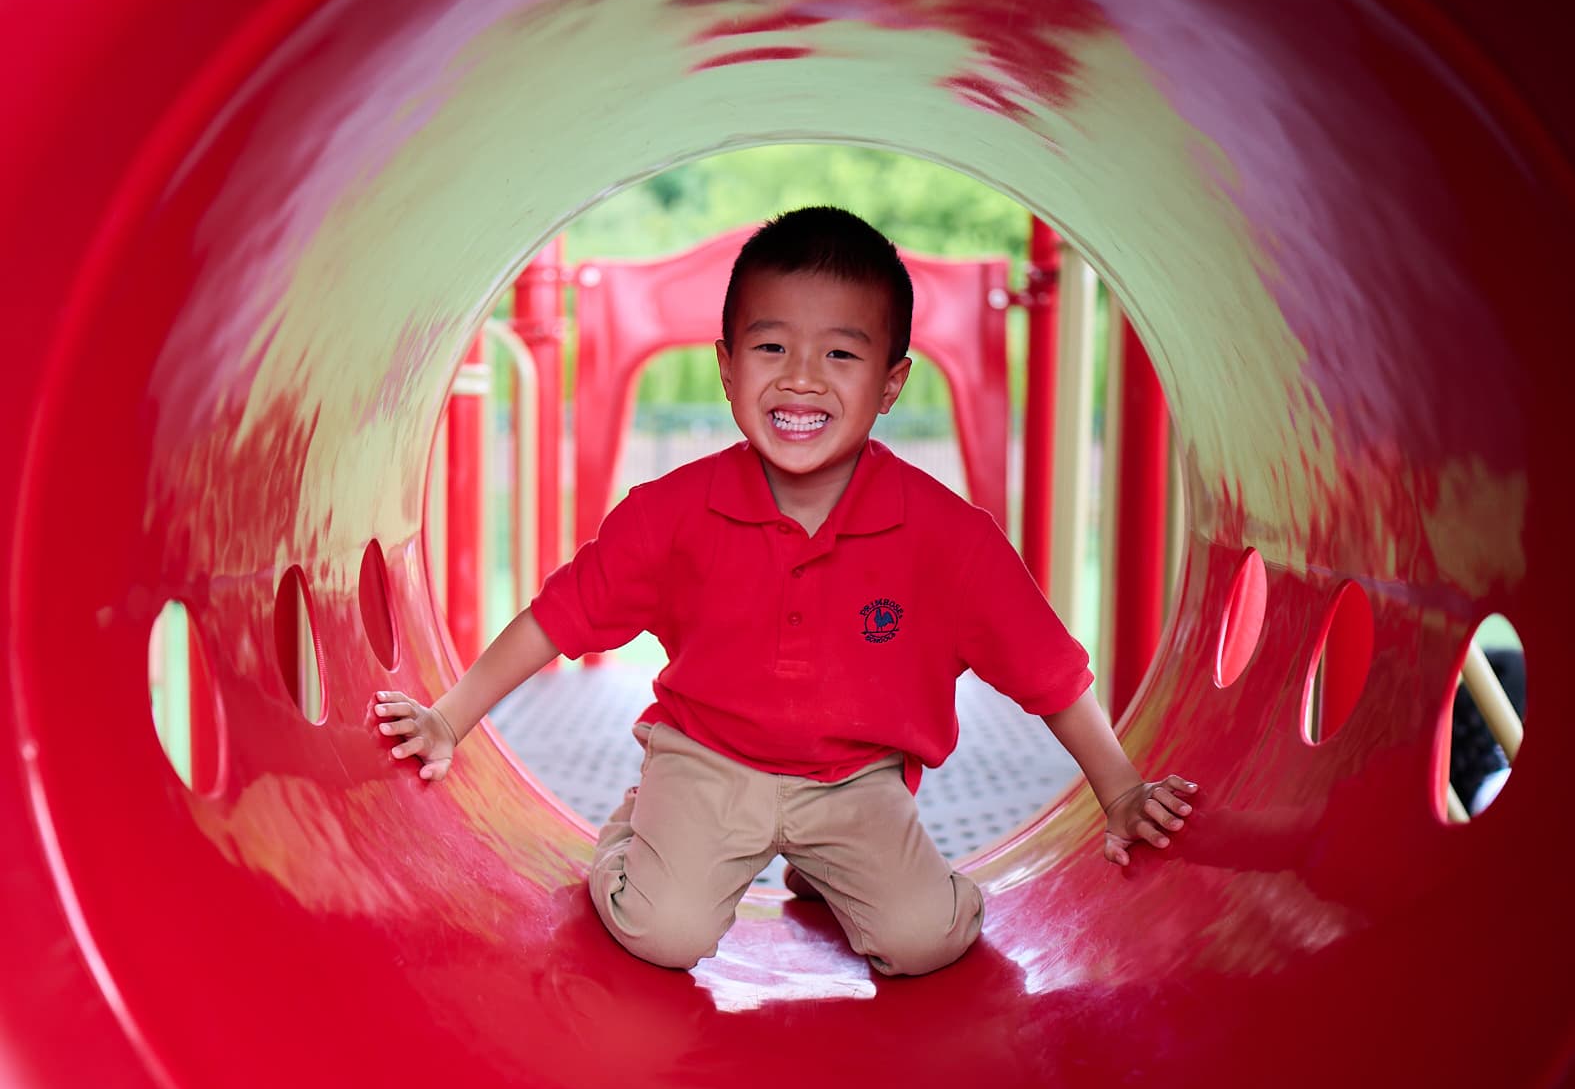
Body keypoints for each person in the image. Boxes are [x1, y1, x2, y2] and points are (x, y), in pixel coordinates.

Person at [374, 206, 1198, 976]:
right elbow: (555, 620)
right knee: (662, 932)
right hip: (705, 761)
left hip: (853, 780)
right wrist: (450, 718)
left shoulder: (947, 538)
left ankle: (828, 873)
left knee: (925, 940)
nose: (801, 380)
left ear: (890, 383)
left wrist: (1120, 791)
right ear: (727, 369)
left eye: (840, 354)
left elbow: (1048, 673)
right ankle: (639, 827)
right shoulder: (671, 513)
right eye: (770, 349)